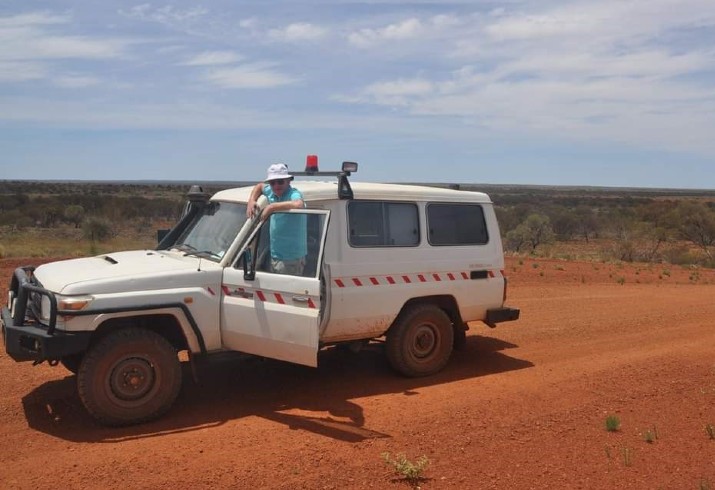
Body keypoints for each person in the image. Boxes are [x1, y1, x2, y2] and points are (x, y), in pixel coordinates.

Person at [247, 163, 307, 275]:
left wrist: (272, 207)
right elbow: (260, 186)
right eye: (272, 183)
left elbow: (298, 204)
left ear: (288, 181)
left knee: (285, 292)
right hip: (275, 254)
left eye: (280, 182)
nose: (276, 186)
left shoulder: (293, 193)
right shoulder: (271, 191)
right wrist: (251, 200)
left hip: (291, 258)